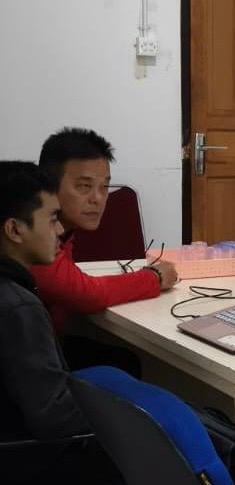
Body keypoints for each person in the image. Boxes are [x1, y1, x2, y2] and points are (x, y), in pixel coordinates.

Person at [0, 161, 121, 484]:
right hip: (29, 459)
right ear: (15, 230)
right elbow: (56, 418)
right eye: (52, 219)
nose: (58, 230)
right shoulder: (18, 307)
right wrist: (128, 419)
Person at [31, 127, 178, 334]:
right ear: (49, 186)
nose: (98, 198)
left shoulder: (63, 230)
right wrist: (155, 277)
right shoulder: (30, 237)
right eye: (84, 186)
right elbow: (88, 294)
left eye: (104, 187)